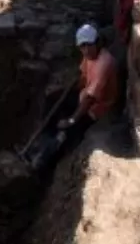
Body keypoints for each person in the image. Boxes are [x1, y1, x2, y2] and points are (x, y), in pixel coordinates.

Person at [28, 24, 119, 171]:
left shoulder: (105, 63)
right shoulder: (88, 55)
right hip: (84, 96)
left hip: (96, 109)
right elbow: (83, 77)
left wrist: (72, 120)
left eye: (89, 45)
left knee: (67, 133)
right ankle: (44, 136)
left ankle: (44, 162)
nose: (86, 50)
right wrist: (66, 91)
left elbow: (90, 99)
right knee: (53, 99)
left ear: (97, 42)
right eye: (82, 47)